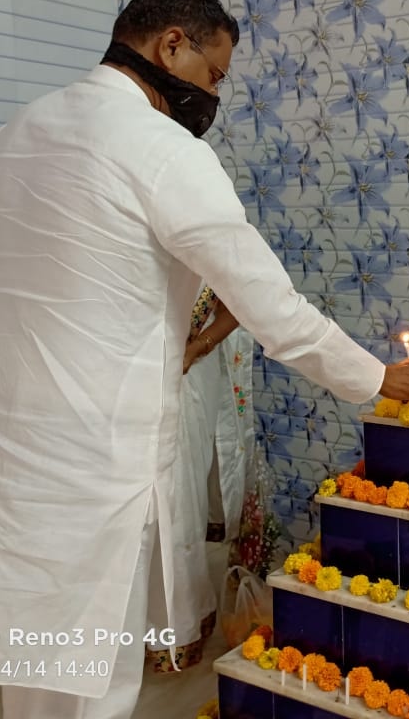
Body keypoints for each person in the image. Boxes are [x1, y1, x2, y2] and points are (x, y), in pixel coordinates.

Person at [0, 0, 409, 719]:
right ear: (171, 44)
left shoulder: (18, 133)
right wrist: (375, 377)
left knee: (33, 677)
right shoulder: (161, 149)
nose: (213, 95)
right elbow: (272, 307)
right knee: (90, 685)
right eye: (214, 74)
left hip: (3, 451)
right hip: (93, 462)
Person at [144, 287, 251, 674]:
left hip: (184, 373)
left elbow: (237, 303)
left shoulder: (200, 237)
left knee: (176, 500)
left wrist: (193, 350)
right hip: (119, 383)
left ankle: (176, 628)